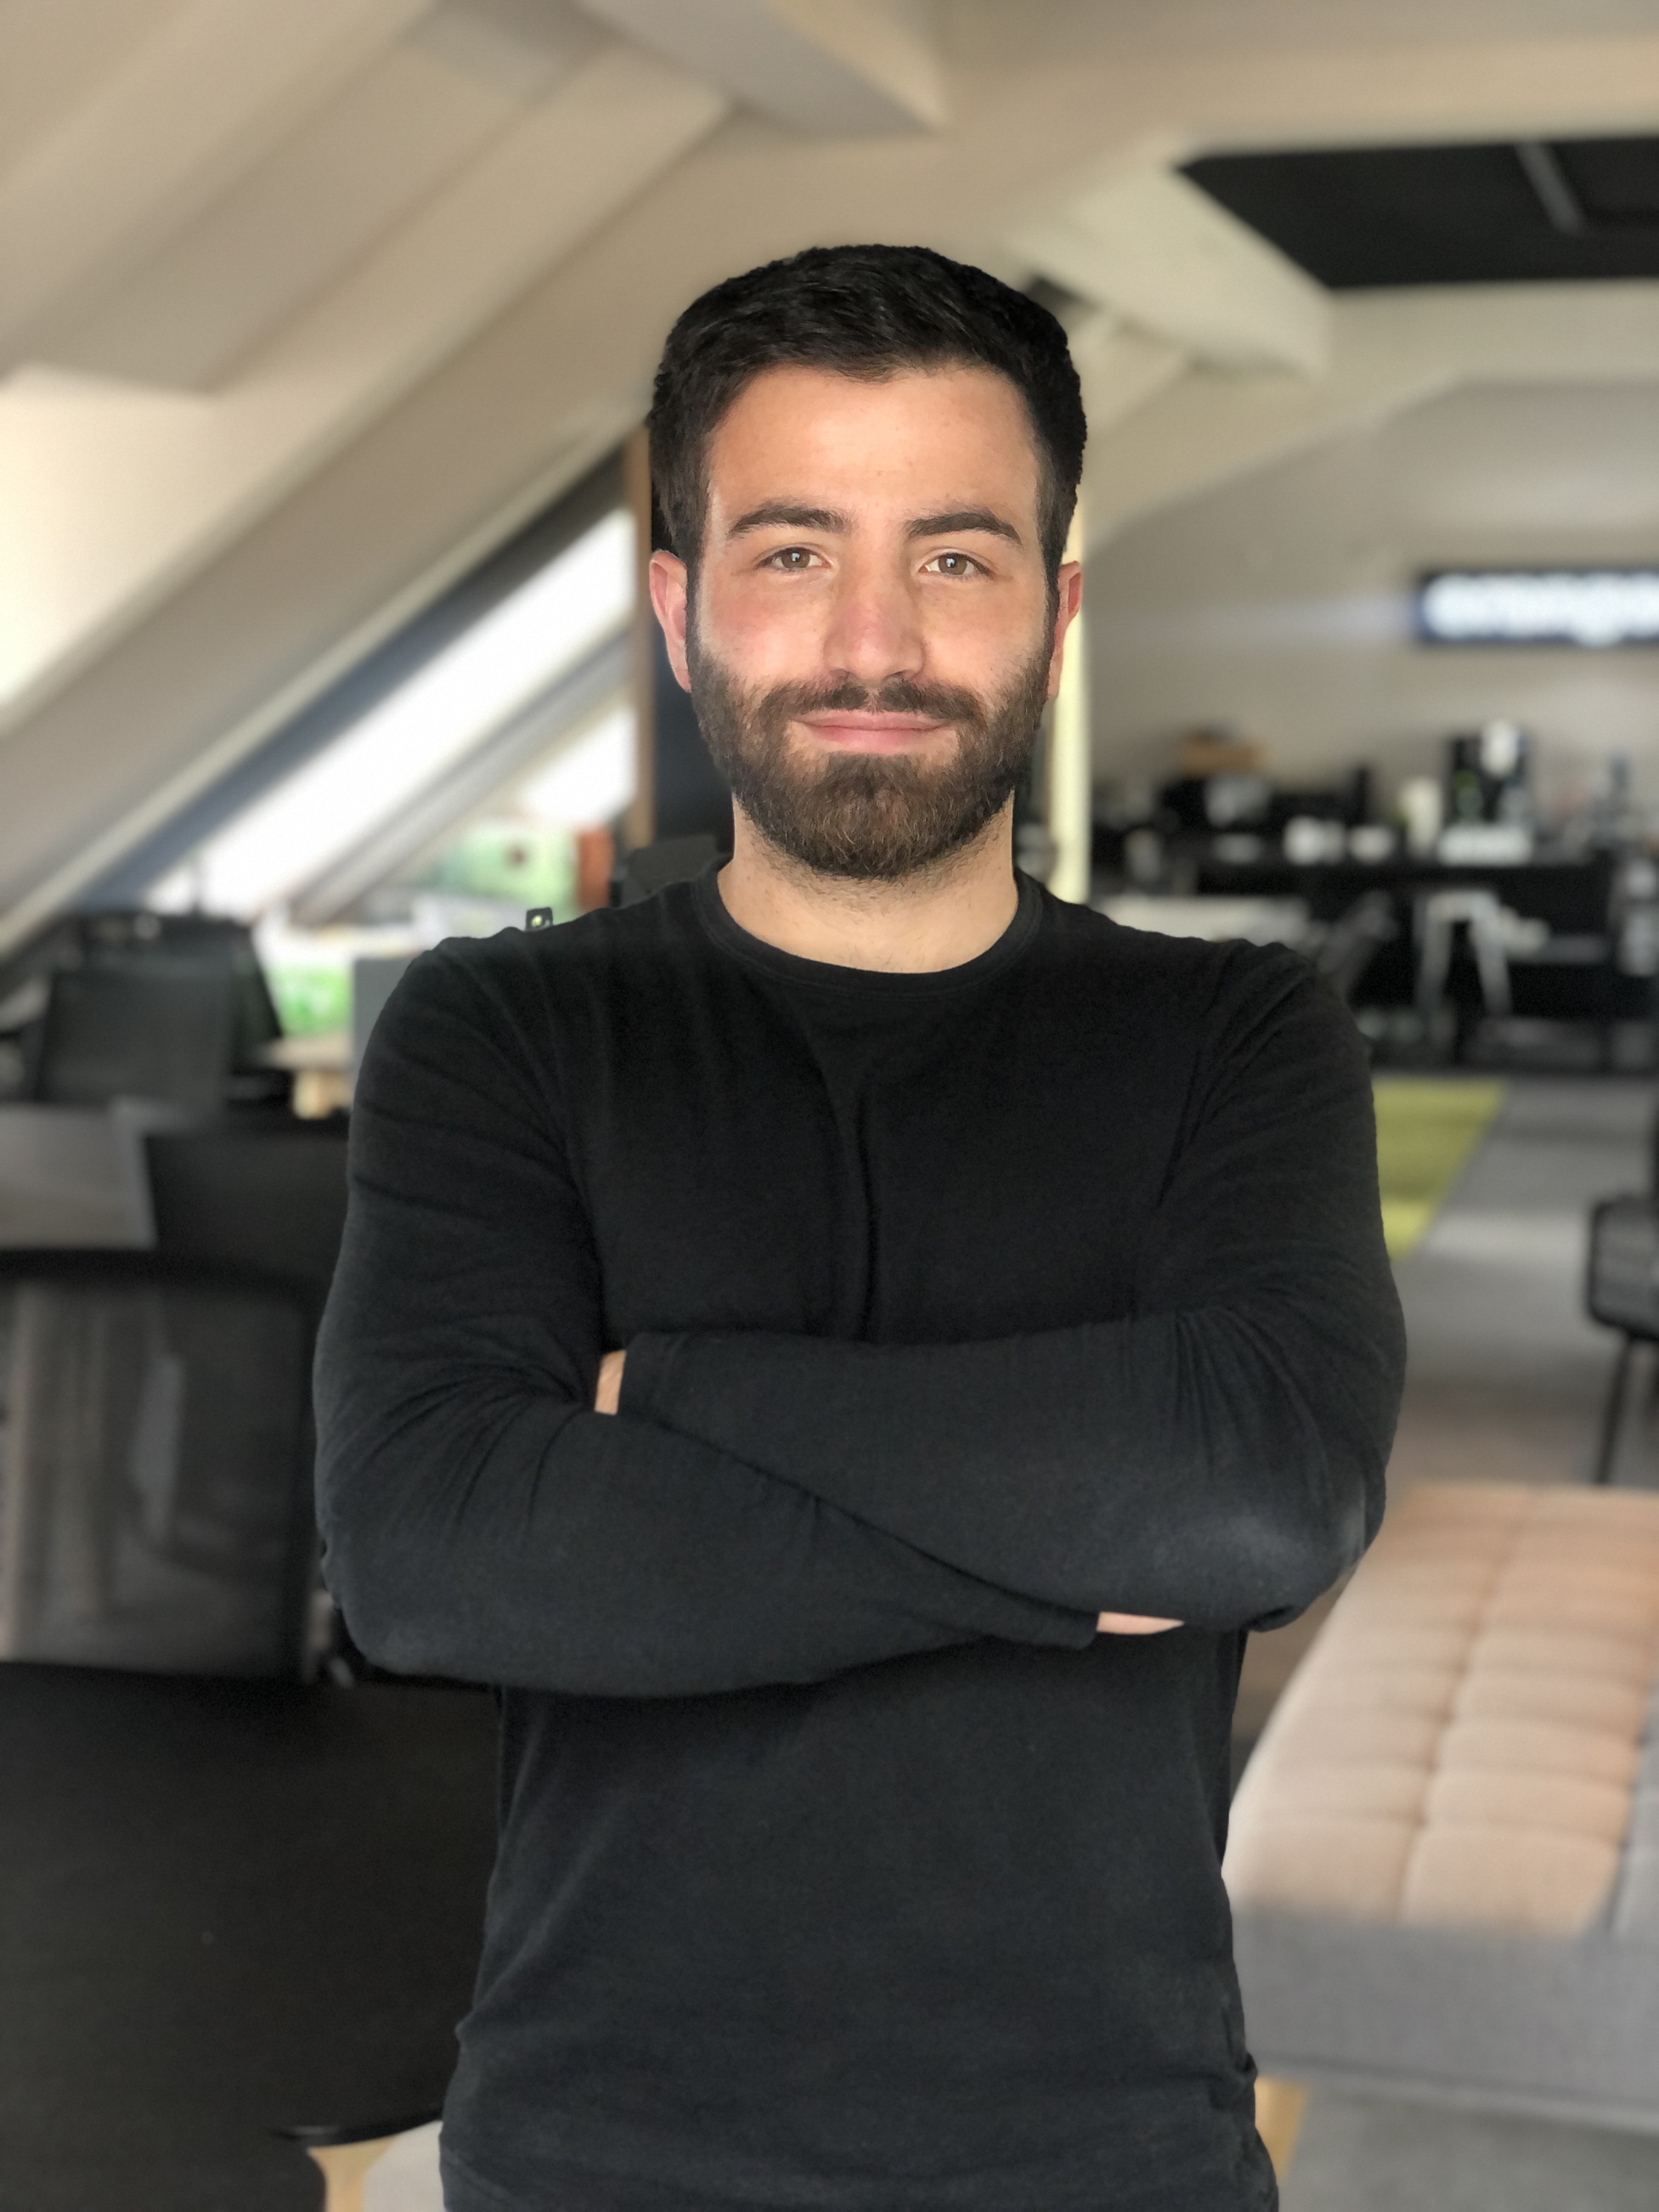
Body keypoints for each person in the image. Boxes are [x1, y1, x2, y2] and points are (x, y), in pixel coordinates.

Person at [314, 243, 1405, 2212]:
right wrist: (1073, 1554)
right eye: (796, 550)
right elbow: (432, 1557)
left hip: (1108, 2145)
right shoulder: (509, 1029)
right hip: (601, 2142)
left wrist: (671, 1397)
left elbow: (1261, 1503)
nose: (874, 641)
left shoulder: (1235, 1033)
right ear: (681, 608)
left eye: (957, 557)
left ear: (1056, 612)